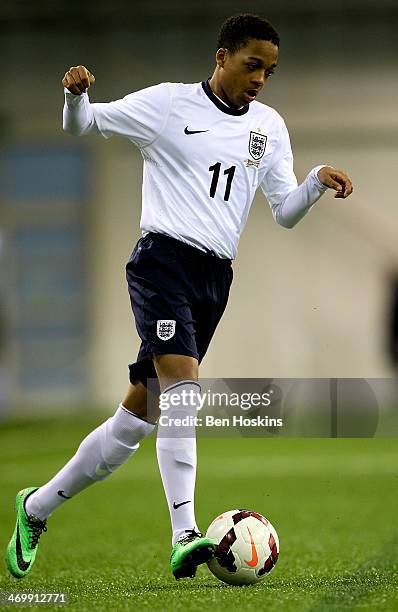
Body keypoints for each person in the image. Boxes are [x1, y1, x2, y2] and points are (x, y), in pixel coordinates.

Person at [6, 13, 353, 581]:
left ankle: (36, 507)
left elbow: (284, 212)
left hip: (215, 279)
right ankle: (185, 532)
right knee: (184, 390)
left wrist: (314, 182)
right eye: (252, 65)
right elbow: (84, 126)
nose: (261, 78)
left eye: (269, 70)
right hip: (162, 262)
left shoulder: (268, 127)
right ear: (221, 56)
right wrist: (74, 97)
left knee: (137, 422)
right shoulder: (168, 105)